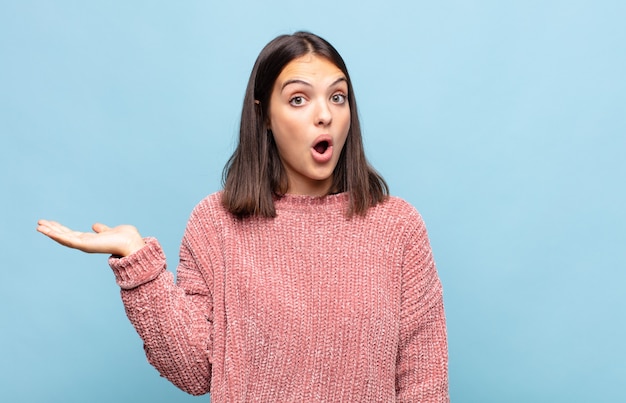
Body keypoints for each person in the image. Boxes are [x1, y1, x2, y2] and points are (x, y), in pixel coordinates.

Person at [37, 31, 449, 402]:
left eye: (337, 97)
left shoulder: (397, 227)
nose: (324, 114)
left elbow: (425, 384)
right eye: (299, 99)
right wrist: (138, 263)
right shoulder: (216, 223)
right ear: (264, 115)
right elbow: (194, 371)